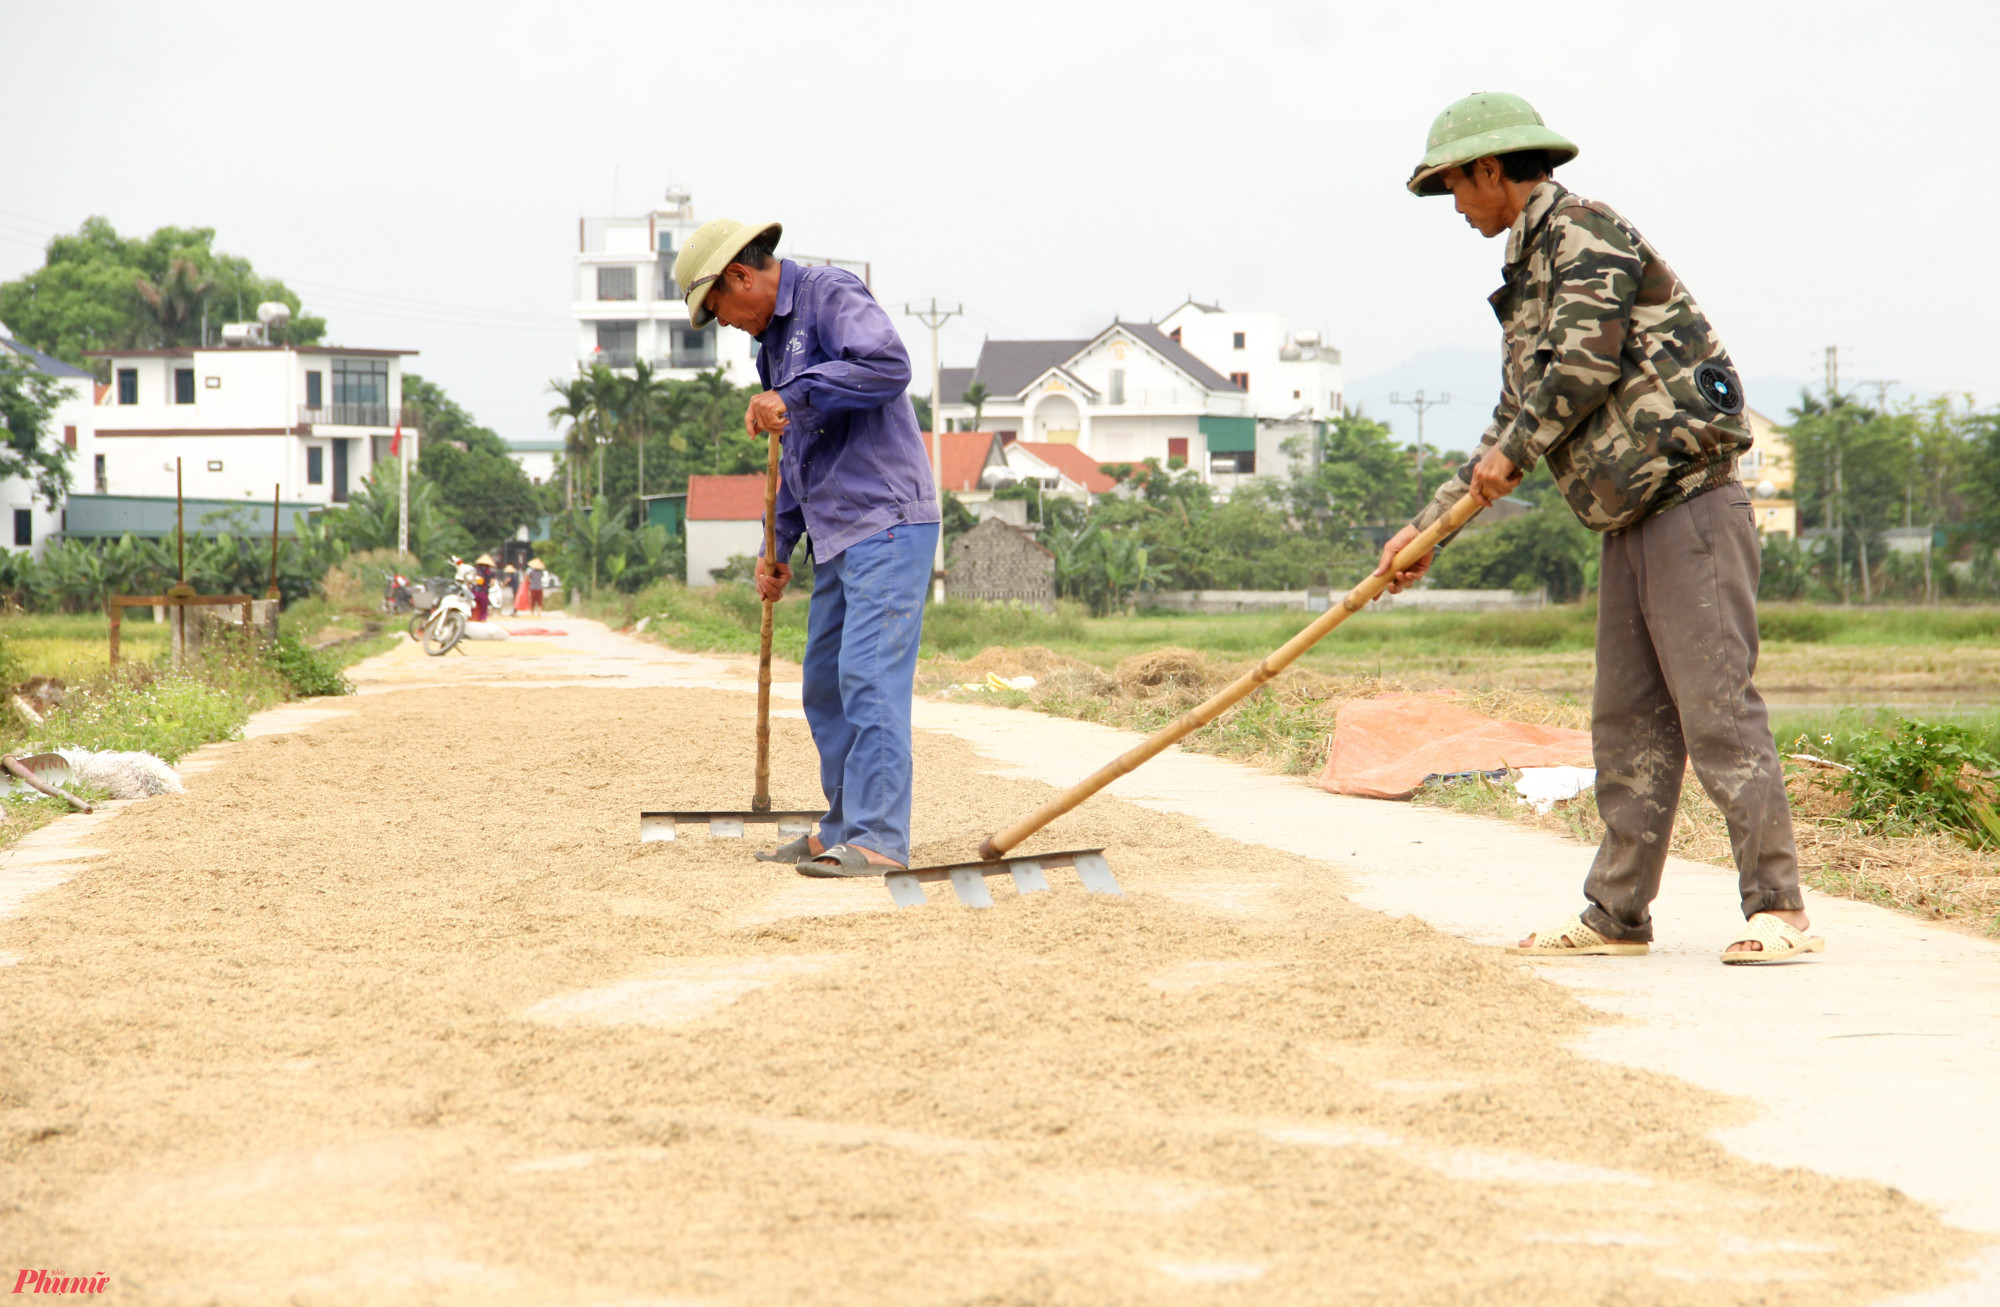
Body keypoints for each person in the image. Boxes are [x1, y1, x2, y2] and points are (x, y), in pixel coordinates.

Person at [1377, 92, 1822, 965]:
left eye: (1455, 188)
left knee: (1718, 711)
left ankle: (1779, 909)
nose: (1456, 207)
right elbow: (1509, 423)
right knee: (1625, 724)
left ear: (1492, 170)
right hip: (1625, 519)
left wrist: (1516, 446)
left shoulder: (1584, 231)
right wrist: (1425, 533)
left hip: (1689, 502)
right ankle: (1617, 914)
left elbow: (1583, 365)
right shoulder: (1526, 273)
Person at [673, 217, 939, 877]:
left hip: (887, 518)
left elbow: (887, 365)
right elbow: (797, 452)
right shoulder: (772, 344)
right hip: (838, 534)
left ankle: (880, 838)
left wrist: (790, 397)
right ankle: (844, 826)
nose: (727, 324)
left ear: (739, 275)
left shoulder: (827, 293)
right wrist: (779, 545)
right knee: (825, 682)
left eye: (719, 311)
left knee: (868, 676)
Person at [469, 553, 496, 623]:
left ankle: (471, 619)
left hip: (474, 591)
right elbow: (493, 583)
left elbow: (470, 580)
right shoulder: (490, 572)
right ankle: (482, 620)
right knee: (483, 608)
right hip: (483, 592)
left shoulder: (475, 570)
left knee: (472, 606)